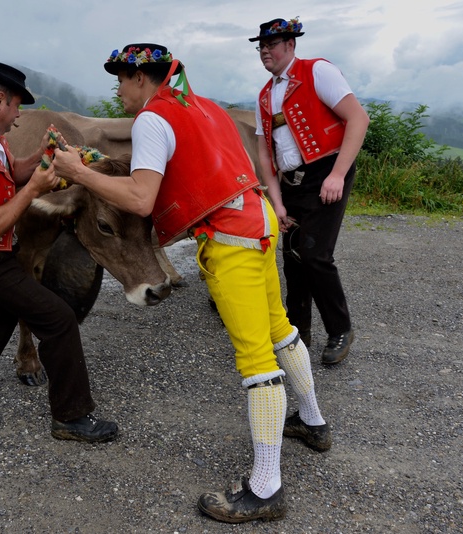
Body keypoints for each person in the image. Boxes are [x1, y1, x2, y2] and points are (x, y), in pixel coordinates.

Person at [52, 43, 331, 524]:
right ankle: (312, 422)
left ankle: (266, 489)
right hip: (258, 218)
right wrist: (96, 161)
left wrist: (78, 172)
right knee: (280, 329)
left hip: (230, 238)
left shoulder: (151, 119)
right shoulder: (204, 107)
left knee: (255, 360)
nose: (118, 91)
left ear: (142, 78)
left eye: (121, 80)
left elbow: (140, 199)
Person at [0, 60, 117, 443]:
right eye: (16, 105)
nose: (18, 114)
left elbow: (12, 172)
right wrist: (35, 190)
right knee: (58, 319)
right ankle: (71, 417)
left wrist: (43, 154)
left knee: (10, 303)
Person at [251, 18, 369, 365]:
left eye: (271, 45)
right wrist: (276, 202)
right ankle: (297, 333)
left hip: (326, 173)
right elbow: (264, 154)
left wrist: (337, 175)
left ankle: (340, 329)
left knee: (315, 255)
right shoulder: (264, 95)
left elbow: (358, 119)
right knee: (292, 258)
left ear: (290, 45)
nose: (265, 51)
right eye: (261, 46)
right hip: (290, 182)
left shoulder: (317, 71)